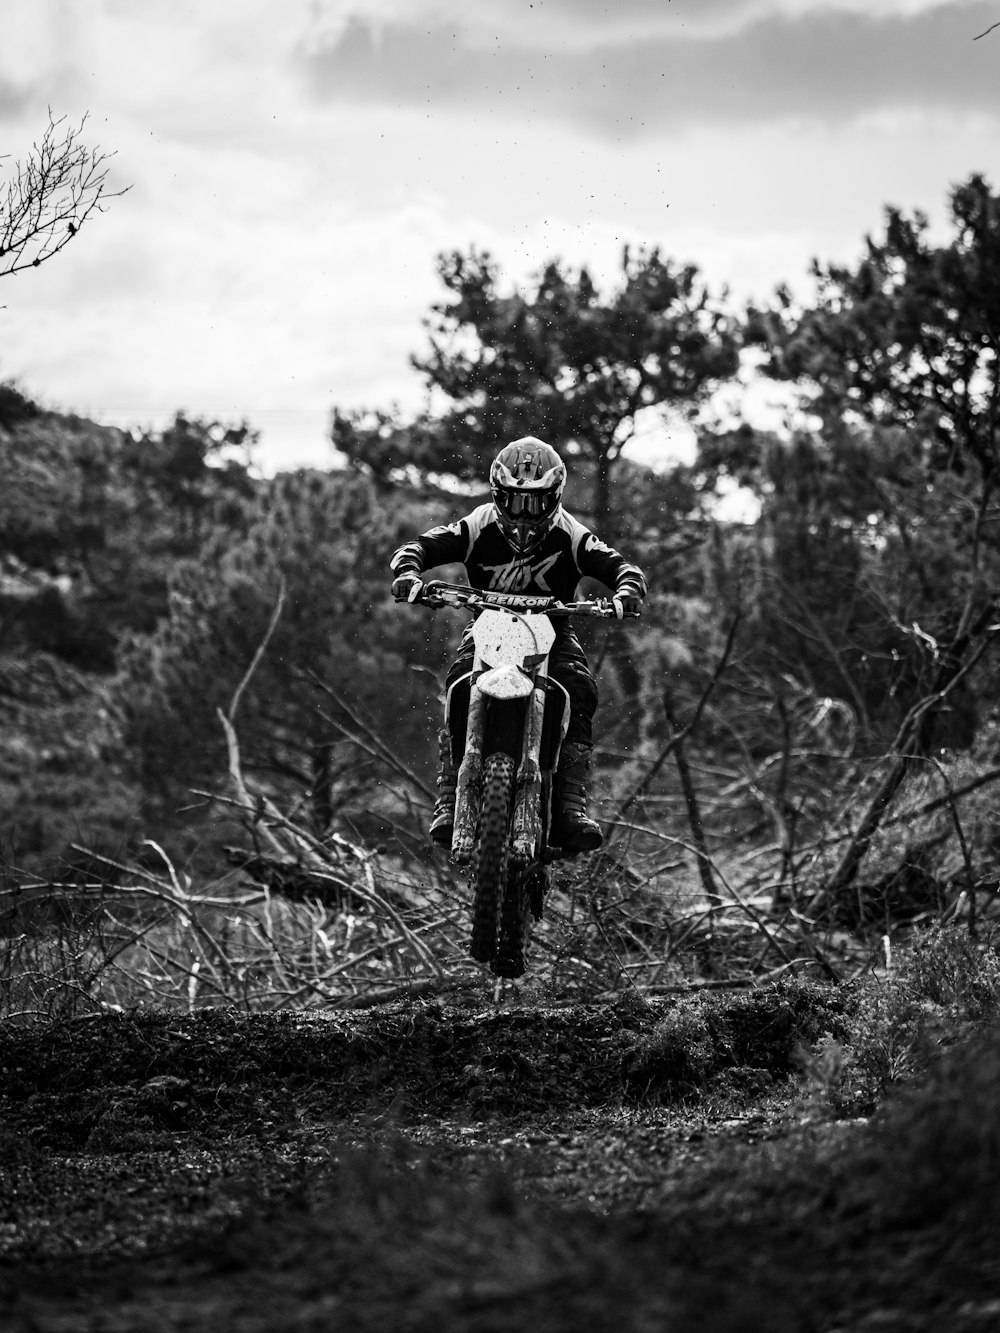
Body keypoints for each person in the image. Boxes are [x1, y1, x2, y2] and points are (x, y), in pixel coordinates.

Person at [390, 436, 646, 853]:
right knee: (458, 684)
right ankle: (450, 795)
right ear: (497, 493)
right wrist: (409, 574)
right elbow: (420, 546)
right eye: (514, 500)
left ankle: (569, 806)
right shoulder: (477, 525)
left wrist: (627, 590)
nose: (524, 513)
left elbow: (618, 564)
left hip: (552, 633)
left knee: (578, 690)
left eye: (536, 502)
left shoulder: (572, 534)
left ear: (555, 496)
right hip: (489, 628)